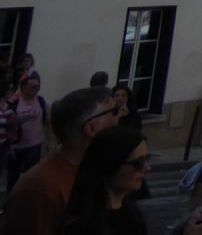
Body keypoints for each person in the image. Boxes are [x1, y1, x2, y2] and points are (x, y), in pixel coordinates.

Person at [1, 86, 118, 235]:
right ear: (91, 128)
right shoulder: (40, 190)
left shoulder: (94, 168)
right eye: (114, 111)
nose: (121, 115)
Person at [60, 125, 150, 235]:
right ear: (110, 164)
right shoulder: (81, 226)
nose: (147, 168)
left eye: (147, 159)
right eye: (139, 163)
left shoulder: (132, 212)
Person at [4, 72, 47, 189]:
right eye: (33, 86)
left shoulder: (41, 101)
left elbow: (47, 120)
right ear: (23, 87)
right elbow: (6, 124)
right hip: (16, 146)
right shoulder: (14, 102)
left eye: (38, 86)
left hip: (35, 145)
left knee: (30, 177)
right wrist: (9, 145)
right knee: (12, 177)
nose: (36, 89)